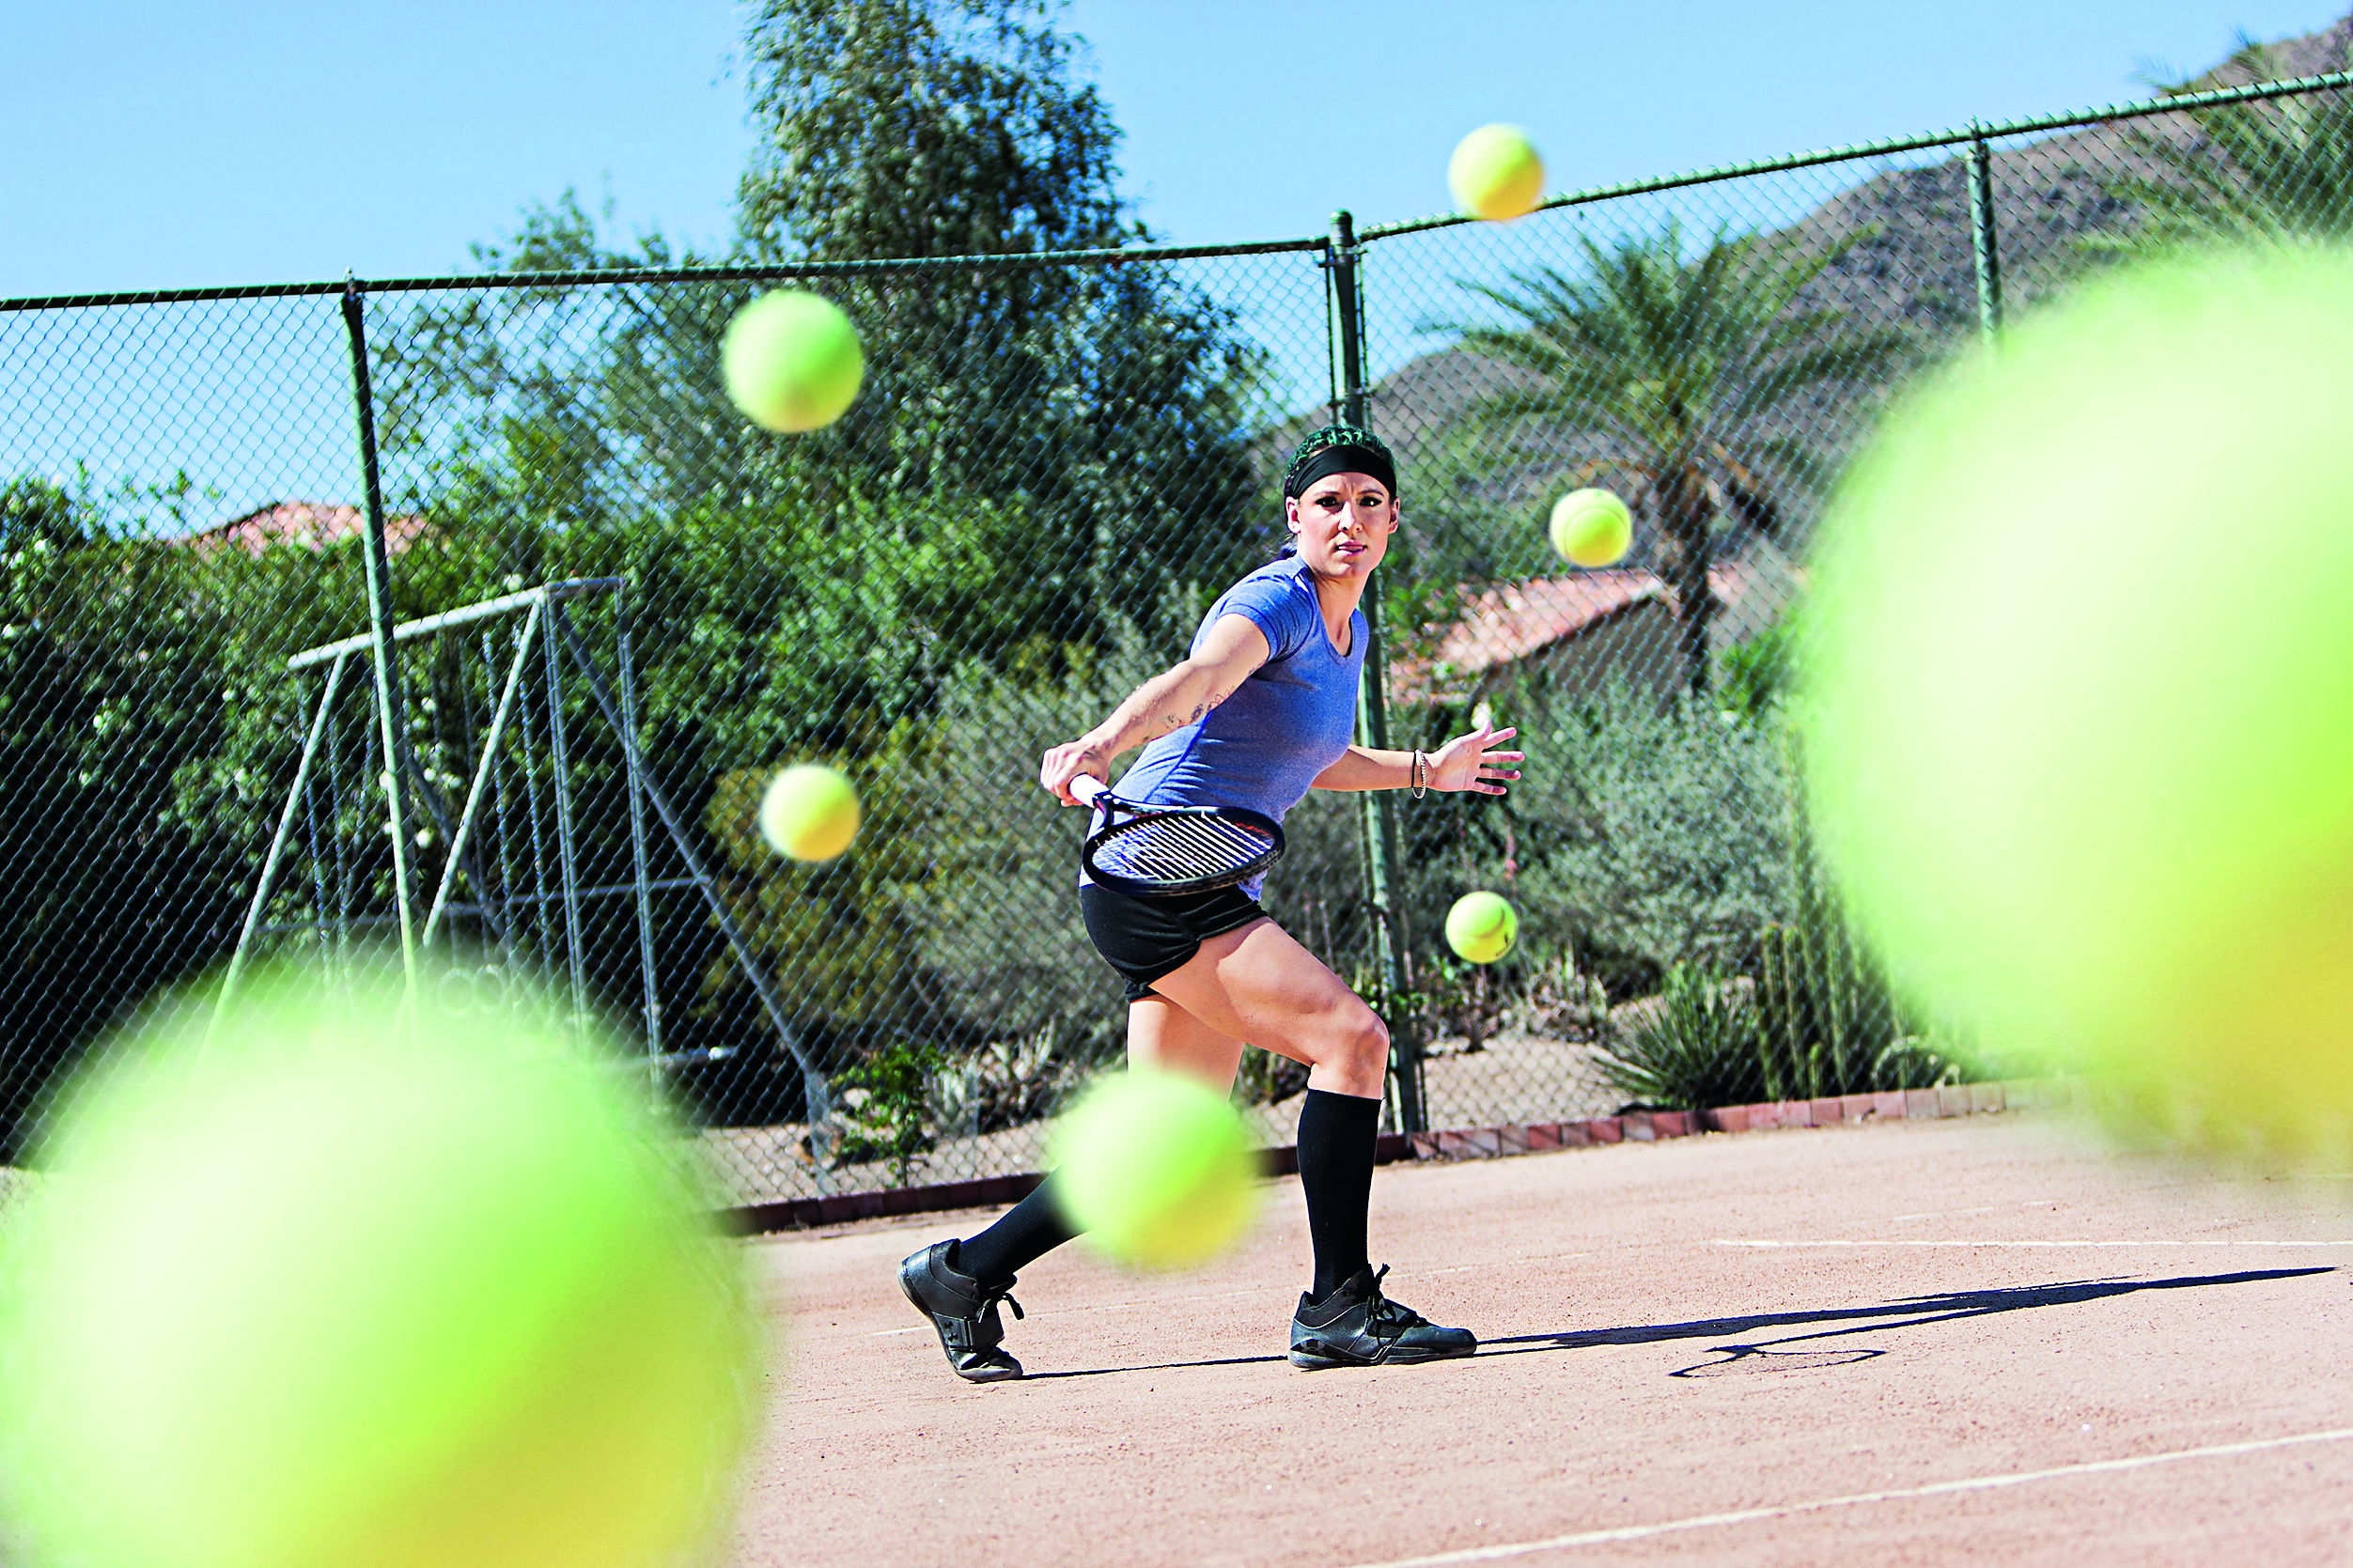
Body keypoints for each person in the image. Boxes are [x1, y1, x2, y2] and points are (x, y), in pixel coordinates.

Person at [898, 425, 1522, 1381]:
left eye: (1366, 502)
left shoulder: (1348, 629)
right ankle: (1338, 1303)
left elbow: (1310, 758)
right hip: (1156, 867)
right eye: (1327, 502)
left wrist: (1420, 772)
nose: (1347, 519)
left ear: (1392, 519)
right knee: (1350, 1041)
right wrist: (1103, 744)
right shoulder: (1274, 599)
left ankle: (959, 1273)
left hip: (1186, 878)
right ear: (1294, 518)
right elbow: (1196, 685)